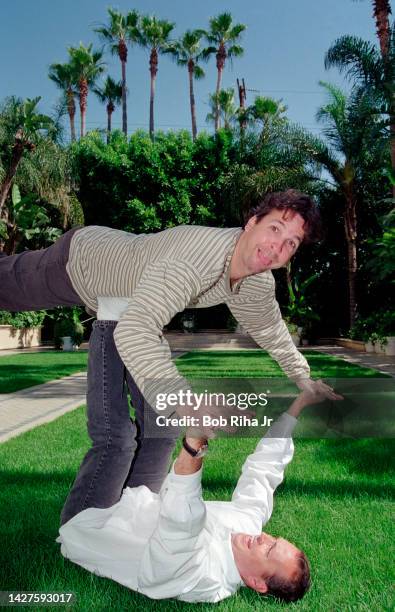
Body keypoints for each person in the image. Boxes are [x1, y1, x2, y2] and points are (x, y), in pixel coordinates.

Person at [0, 189, 339, 520]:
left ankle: (132, 519)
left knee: (161, 431)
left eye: (290, 243)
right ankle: (87, 527)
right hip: (82, 263)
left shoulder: (256, 282)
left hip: (121, 300)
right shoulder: (197, 259)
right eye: (274, 229)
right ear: (251, 223)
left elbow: (271, 331)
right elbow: (136, 332)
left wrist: (303, 378)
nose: (276, 247)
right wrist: (188, 404)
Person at [57, 387, 336, 603]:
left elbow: (180, 525)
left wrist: (195, 443)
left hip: (94, 520)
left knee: (119, 442)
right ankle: (137, 335)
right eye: (274, 539)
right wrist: (300, 404)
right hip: (142, 498)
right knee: (164, 424)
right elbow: (264, 471)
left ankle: (109, 322)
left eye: (269, 549)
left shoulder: (205, 579)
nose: (264, 537)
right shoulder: (247, 528)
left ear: (257, 583)